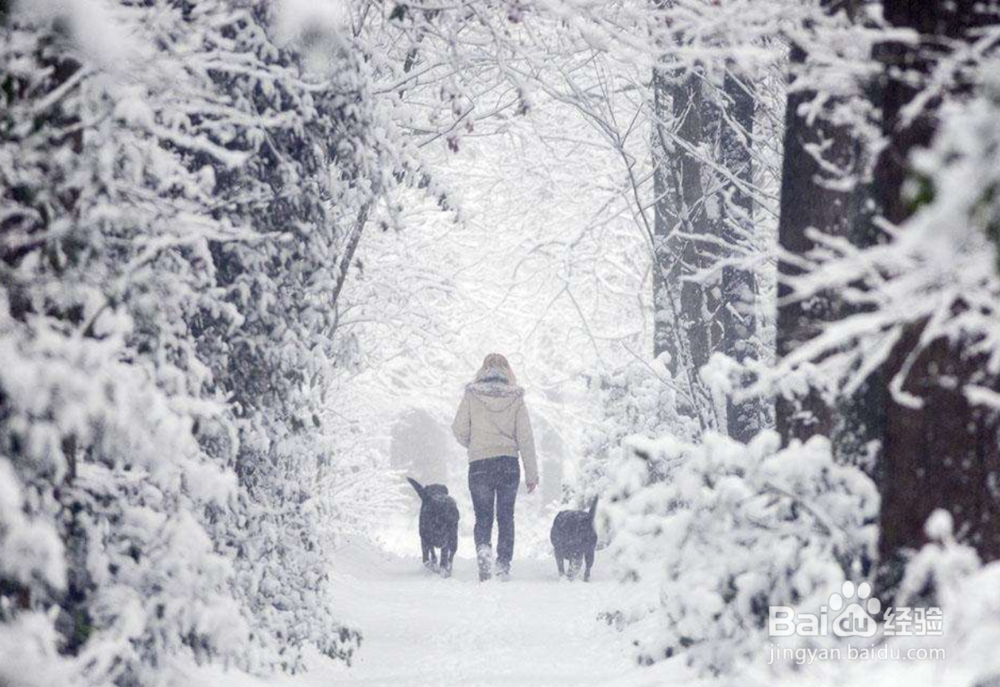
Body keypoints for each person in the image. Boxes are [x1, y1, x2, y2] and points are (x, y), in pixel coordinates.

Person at [451, 353, 538, 581]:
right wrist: (532, 474)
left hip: (480, 464)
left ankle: (483, 549)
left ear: (484, 369)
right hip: (508, 464)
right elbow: (525, 438)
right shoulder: (516, 398)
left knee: (483, 516)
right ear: (507, 370)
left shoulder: (472, 394)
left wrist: (475, 444)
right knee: (506, 516)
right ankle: (503, 564)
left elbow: (458, 428)